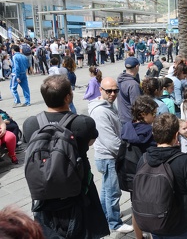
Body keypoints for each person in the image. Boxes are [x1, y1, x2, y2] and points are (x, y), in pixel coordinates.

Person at [22, 75, 110, 238]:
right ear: (68, 97)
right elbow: (90, 141)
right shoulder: (83, 123)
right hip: (78, 194)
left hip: (44, 198)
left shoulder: (30, 124)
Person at [88, 77, 134, 234]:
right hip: (108, 156)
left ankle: (105, 215)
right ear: (101, 90)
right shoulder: (100, 111)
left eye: (115, 90)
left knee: (107, 189)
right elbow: (110, 141)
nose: (113, 94)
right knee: (113, 191)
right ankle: (114, 223)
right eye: (109, 91)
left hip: (107, 155)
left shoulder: (108, 105)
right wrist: (126, 153)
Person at [121, 95, 157, 239]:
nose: (155, 117)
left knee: (136, 208)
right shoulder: (149, 132)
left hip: (131, 175)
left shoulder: (127, 127)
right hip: (148, 174)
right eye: (153, 114)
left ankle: (139, 236)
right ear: (143, 114)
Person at [118, 57, 142, 124]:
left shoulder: (120, 79)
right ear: (137, 66)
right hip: (131, 120)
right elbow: (136, 105)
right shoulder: (133, 85)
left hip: (122, 116)